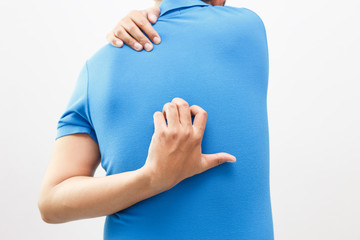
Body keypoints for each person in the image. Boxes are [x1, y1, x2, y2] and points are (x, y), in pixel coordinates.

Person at [38, 0, 273, 239]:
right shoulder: (246, 28)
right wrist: (155, 176)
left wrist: (149, 179)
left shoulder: (97, 68)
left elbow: (51, 202)